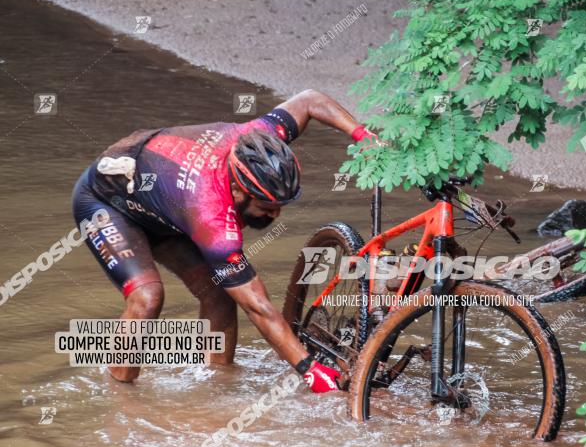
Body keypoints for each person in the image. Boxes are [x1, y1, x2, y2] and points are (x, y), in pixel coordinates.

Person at [71, 90, 379, 392]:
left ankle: (216, 385)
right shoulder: (211, 215)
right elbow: (258, 307)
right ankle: (121, 394)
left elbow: (311, 100)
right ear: (237, 191)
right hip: (106, 203)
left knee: (219, 293)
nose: (275, 215)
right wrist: (310, 370)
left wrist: (363, 135)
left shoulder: (259, 137)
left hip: (162, 203)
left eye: (280, 205)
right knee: (148, 297)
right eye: (266, 205)